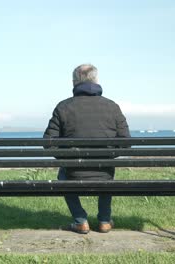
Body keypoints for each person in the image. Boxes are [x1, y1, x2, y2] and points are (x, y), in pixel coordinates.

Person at [43, 64, 130, 234]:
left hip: (73, 171)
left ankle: (80, 220)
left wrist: (65, 158)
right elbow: (126, 142)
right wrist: (110, 153)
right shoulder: (112, 106)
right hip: (104, 171)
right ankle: (105, 220)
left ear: (74, 82)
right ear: (96, 80)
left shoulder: (63, 107)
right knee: (107, 173)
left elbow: (48, 142)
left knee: (63, 175)